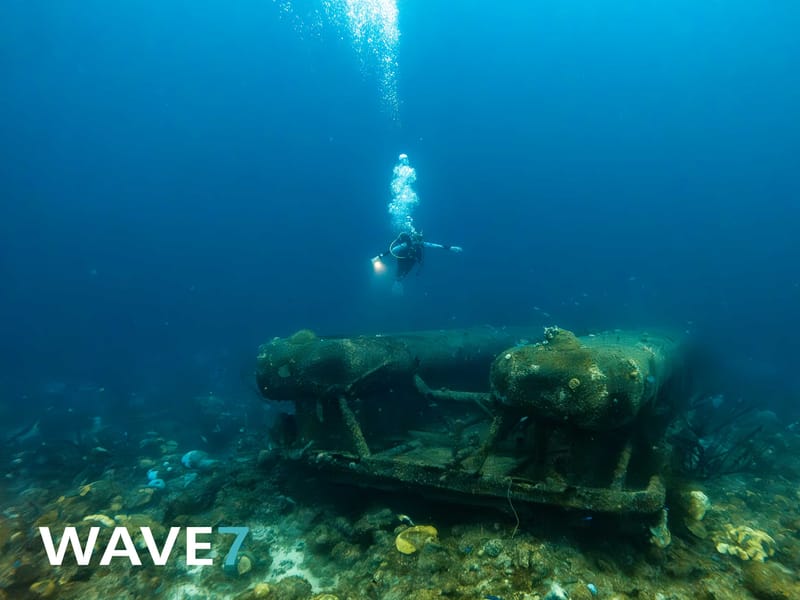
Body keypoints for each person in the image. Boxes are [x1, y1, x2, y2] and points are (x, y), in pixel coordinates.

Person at [371, 230, 462, 282]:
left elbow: (437, 246)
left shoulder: (422, 244)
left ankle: (399, 280)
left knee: (407, 270)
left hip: (412, 260)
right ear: (413, 238)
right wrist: (378, 257)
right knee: (399, 271)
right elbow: (392, 250)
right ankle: (397, 279)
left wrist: (451, 248)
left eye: (420, 239)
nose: (418, 242)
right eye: (416, 239)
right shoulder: (406, 244)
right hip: (403, 259)